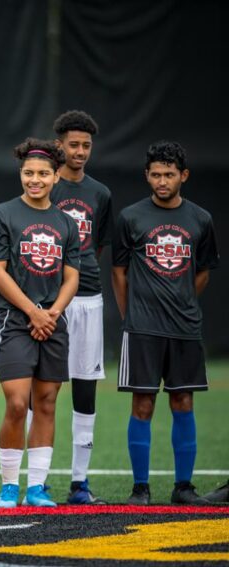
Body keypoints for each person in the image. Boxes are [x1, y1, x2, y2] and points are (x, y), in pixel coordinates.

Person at [112, 141, 219, 505]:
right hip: (142, 329)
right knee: (142, 405)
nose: (161, 181)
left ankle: (183, 487)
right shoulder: (130, 217)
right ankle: (140, 488)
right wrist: (132, 315)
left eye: (169, 175)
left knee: (183, 402)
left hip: (185, 328)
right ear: (147, 175)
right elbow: (119, 272)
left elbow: (202, 272)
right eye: (155, 175)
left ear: (183, 176)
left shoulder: (201, 219)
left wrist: (183, 299)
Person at [0, 138, 80, 508]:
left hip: (53, 321)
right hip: (14, 320)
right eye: (28, 173)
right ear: (20, 174)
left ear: (57, 176)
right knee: (16, 402)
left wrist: (52, 312)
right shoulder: (3, 214)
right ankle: (9, 485)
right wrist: (33, 312)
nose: (35, 179)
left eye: (43, 173)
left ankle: (37, 487)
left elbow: (72, 276)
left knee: (46, 401)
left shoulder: (65, 223)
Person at [47, 110, 112, 504]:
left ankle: (79, 482)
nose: (80, 151)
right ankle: (38, 481)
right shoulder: (45, 187)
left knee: (85, 391)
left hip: (87, 297)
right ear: (59, 145)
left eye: (86, 145)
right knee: (44, 391)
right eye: (73, 144)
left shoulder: (100, 194)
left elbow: (95, 248)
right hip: (47, 300)